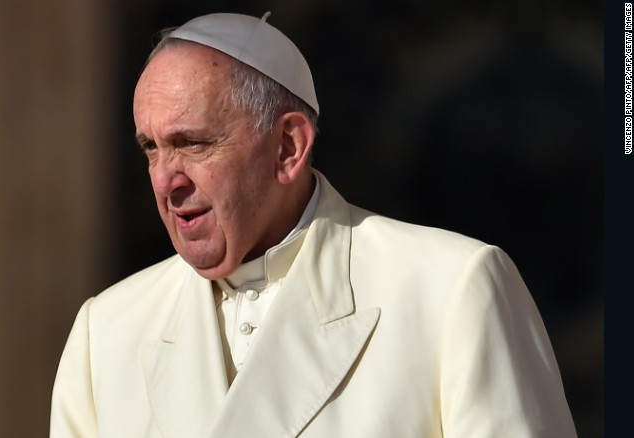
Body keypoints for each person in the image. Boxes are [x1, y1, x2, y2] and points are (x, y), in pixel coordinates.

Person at [50, 12, 577, 437]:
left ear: (288, 147)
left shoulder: (451, 289)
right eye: (150, 148)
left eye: (193, 143)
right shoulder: (107, 333)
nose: (166, 181)